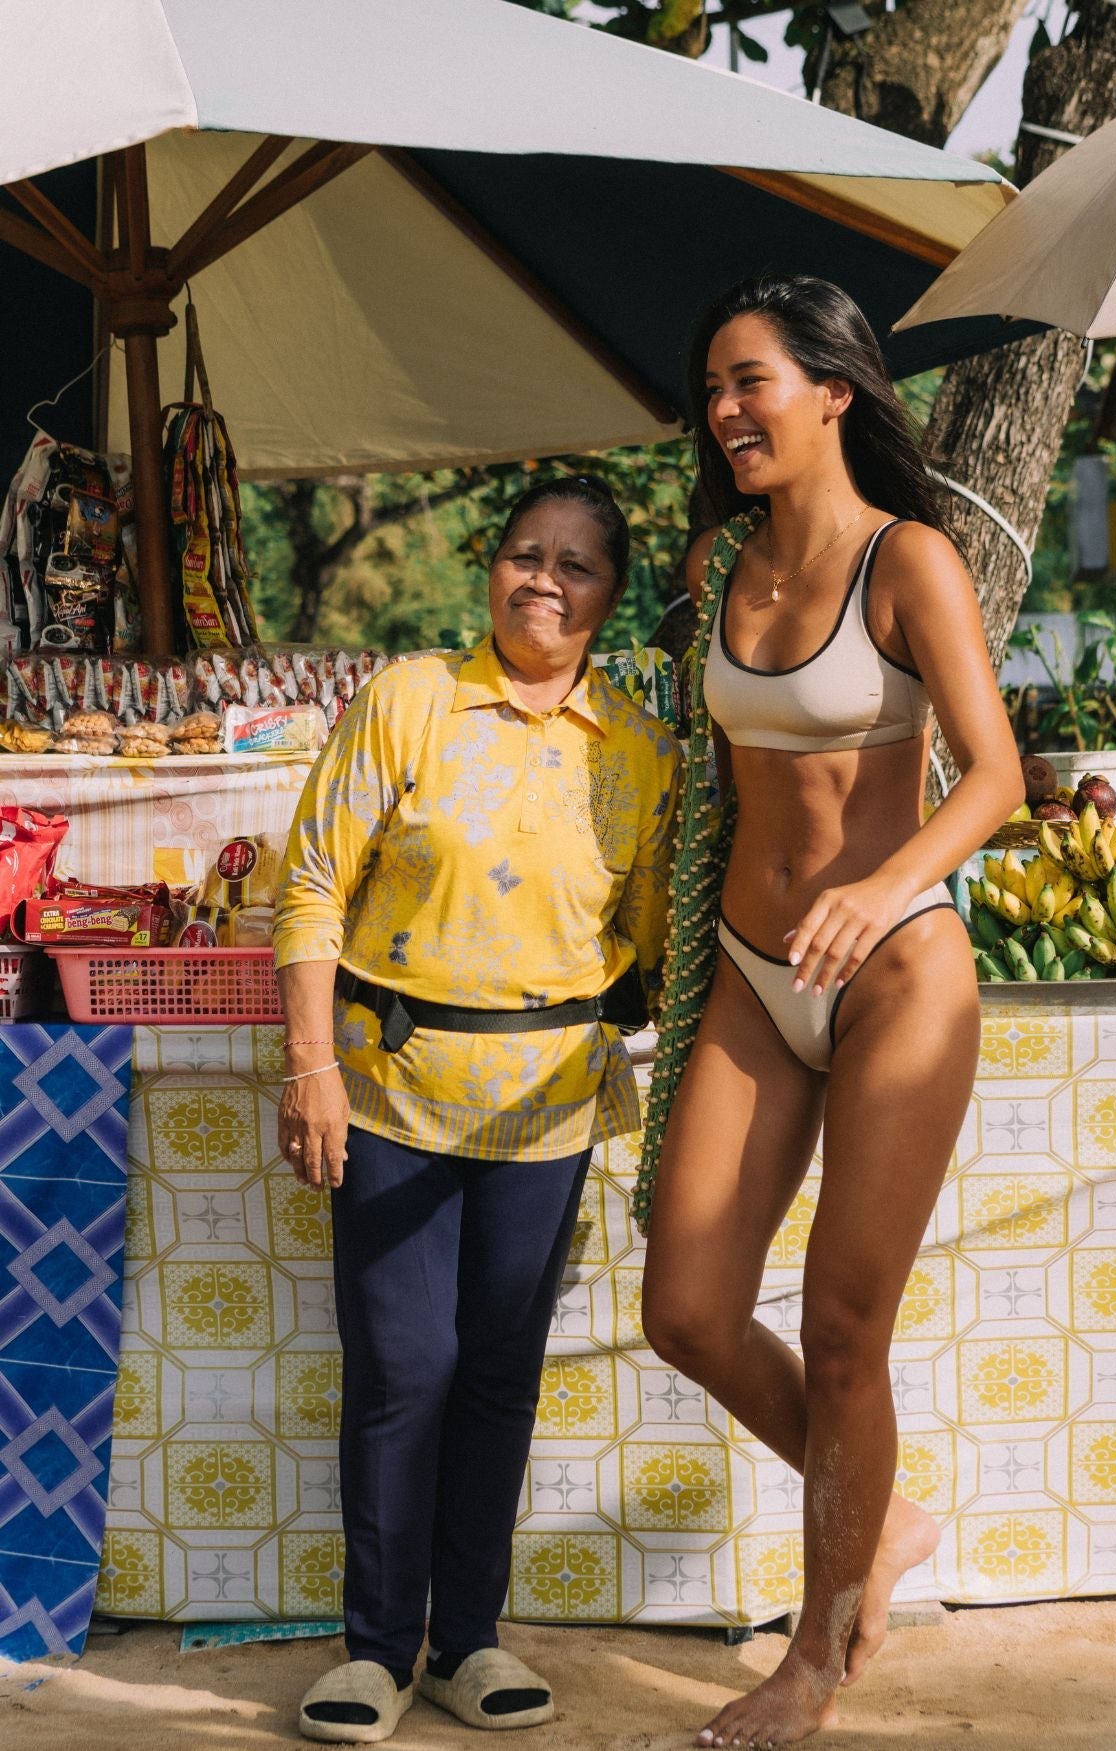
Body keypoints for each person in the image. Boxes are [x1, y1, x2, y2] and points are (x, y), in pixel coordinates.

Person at [637, 274, 1023, 1748]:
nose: (725, 410)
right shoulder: (710, 564)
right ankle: (887, 1514)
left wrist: (885, 883)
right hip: (749, 962)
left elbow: (990, 770)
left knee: (841, 1323)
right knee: (685, 1306)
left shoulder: (904, 559)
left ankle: (812, 1655)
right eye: (713, 389)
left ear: (830, 392)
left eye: (750, 382)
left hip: (894, 965)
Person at [272, 476, 680, 1745]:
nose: (542, 581)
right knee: (405, 1369)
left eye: (576, 565)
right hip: (388, 1089)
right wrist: (310, 1062)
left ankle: (469, 1642)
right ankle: (377, 1650)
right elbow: (308, 887)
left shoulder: (642, 749)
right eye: (522, 554)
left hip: (549, 1110)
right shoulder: (409, 698)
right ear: (489, 567)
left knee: (499, 1373)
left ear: (613, 597)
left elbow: (647, 941)